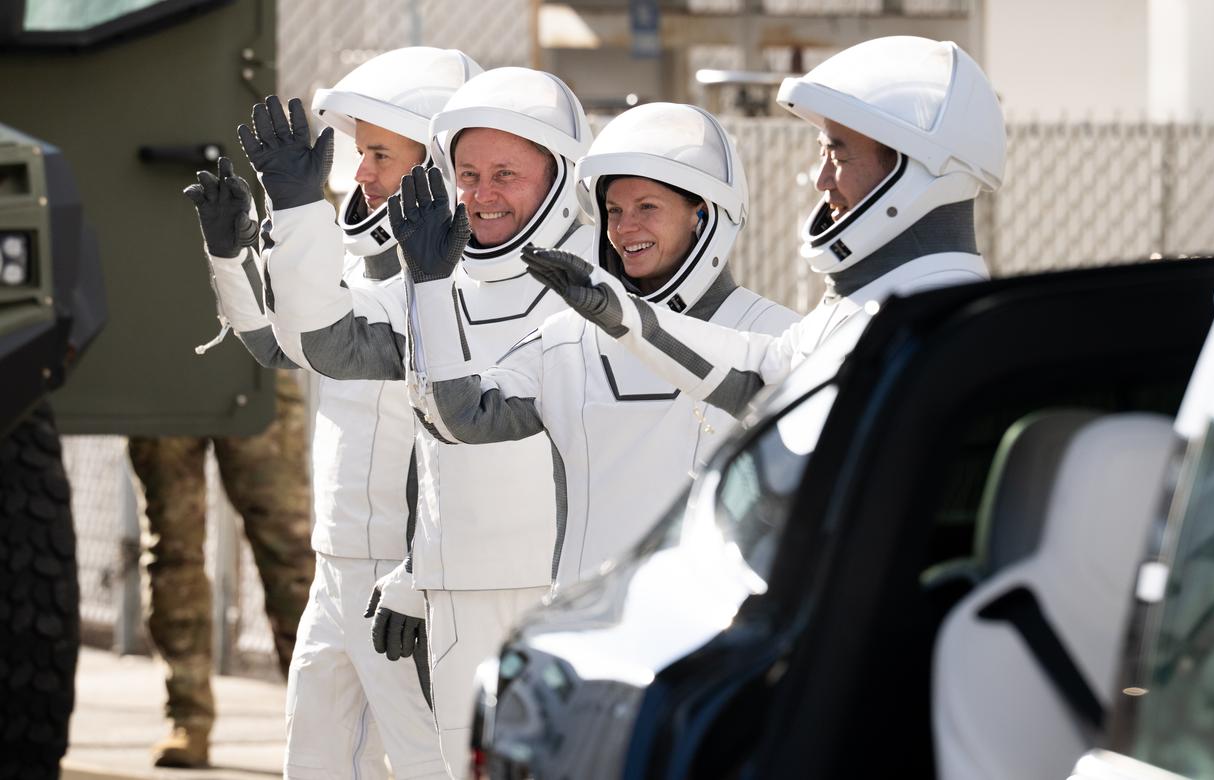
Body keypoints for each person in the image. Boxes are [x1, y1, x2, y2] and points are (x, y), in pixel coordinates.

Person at [241, 66, 593, 777]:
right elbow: (322, 342)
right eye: (470, 174)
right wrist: (299, 209)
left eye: (506, 174)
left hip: (553, 597)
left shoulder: (603, 290)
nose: (482, 194)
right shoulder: (431, 280)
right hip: (447, 593)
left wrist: (408, 573)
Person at [189, 47, 480, 777]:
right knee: (316, 760)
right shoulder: (360, 265)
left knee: (428, 762)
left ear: (439, 166)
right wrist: (229, 255)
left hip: (406, 578)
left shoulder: (453, 289)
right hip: (337, 564)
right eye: (361, 153)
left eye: (380, 155)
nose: (362, 174)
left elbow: (328, 340)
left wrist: (296, 210)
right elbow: (279, 346)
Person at [396, 101, 798, 588]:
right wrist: (429, 286)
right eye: (614, 211)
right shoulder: (566, 339)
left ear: (703, 214)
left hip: (713, 622)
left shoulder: (777, 336)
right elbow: (457, 418)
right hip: (587, 622)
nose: (625, 228)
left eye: (647, 207)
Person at [522, 36, 1006, 418]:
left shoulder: (933, 325)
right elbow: (763, 371)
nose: (822, 179)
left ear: (913, 170)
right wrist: (623, 314)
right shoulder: (879, 304)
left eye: (838, 156)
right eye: (822, 155)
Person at [127, 380, 311, 768]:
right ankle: (188, 717)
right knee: (172, 552)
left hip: (257, 372)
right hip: (162, 379)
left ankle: (318, 716)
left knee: (289, 552)